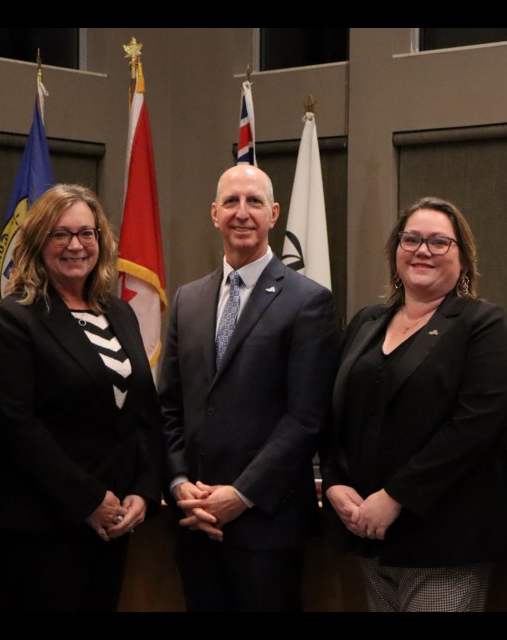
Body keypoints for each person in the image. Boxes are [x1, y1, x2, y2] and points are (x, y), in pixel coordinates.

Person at [320, 197, 507, 612]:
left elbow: (473, 429)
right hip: (369, 533)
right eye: (410, 239)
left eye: (438, 242)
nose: (422, 250)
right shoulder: (367, 321)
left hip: (444, 539)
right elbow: (334, 409)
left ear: (463, 258)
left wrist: (394, 497)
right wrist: (335, 480)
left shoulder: (482, 324)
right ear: (396, 251)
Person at [159, 164, 339, 611]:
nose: (243, 212)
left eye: (254, 201)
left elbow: (306, 418)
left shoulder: (308, 301)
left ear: (274, 213)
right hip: (195, 521)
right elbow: (169, 408)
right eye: (232, 202)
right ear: (214, 213)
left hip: (266, 527)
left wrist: (240, 495)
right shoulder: (187, 299)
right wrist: (180, 484)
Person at [0, 183, 163, 612]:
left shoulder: (118, 312)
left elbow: (143, 413)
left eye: (86, 233)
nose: (75, 245)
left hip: (110, 523)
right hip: (38, 526)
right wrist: (89, 500)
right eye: (60, 234)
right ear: (38, 242)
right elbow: (16, 425)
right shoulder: (14, 319)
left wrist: (142, 490)